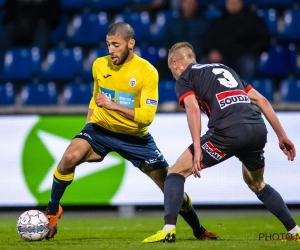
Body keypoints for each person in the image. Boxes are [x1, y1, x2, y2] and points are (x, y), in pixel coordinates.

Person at [45, 22, 219, 241]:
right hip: (101, 129)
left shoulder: (147, 71)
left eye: (116, 45)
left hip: (136, 138)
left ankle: (198, 229)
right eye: (108, 44)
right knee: (69, 156)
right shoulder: (99, 65)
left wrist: (113, 105)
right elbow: (95, 96)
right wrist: (88, 126)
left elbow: (147, 116)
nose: (110, 50)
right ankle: (52, 210)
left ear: (130, 44)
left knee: (170, 188)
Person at [142, 42, 299, 243]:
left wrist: (197, 147)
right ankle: (295, 232)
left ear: (176, 63)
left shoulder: (185, 77)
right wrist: (282, 136)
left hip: (227, 132)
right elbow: (262, 101)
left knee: (175, 172)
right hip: (257, 128)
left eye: (172, 69)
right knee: (257, 183)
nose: (173, 73)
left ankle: (169, 229)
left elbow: (192, 108)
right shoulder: (225, 69)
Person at [203, 0, 270, 79]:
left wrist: (250, 51)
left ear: (241, 3)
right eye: (230, 3)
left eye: (235, 3)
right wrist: (212, 51)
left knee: (248, 64)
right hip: (222, 56)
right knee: (204, 63)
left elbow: (264, 39)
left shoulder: (253, 20)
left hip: (244, 55)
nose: (233, 5)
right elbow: (208, 39)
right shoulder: (218, 22)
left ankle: (244, 90)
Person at [0, 0, 61, 69]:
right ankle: (2, 68)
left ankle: (36, 70)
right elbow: (7, 14)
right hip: (17, 24)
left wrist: (43, 20)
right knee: (8, 30)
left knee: (42, 34)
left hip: (39, 26)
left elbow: (55, 15)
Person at [156, 0, 208, 80]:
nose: (189, 6)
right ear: (182, 4)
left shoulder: (203, 23)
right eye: (187, 3)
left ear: (196, 5)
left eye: (192, 4)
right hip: (175, 56)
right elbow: (167, 42)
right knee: (159, 67)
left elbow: (205, 43)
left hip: (196, 56)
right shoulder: (173, 23)